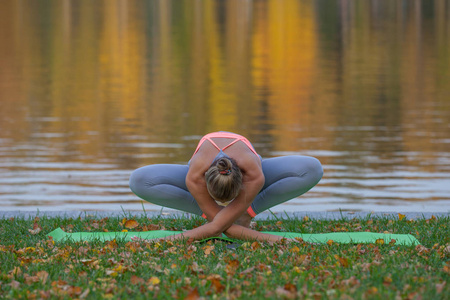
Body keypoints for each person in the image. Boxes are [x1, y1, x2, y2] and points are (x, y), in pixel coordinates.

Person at [129, 132, 323, 243]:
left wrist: (234, 217)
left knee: (312, 168)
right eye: (220, 201)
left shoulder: (254, 175)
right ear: (205, 184)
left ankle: (245, 213)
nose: (226, 203)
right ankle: (229, 215)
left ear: (242, 185)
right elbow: (217, 228)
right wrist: (275, 240)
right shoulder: (195, 177)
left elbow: (216, 228)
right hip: (202, 174)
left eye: (231, 200)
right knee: (138, 180)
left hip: (250, 175)